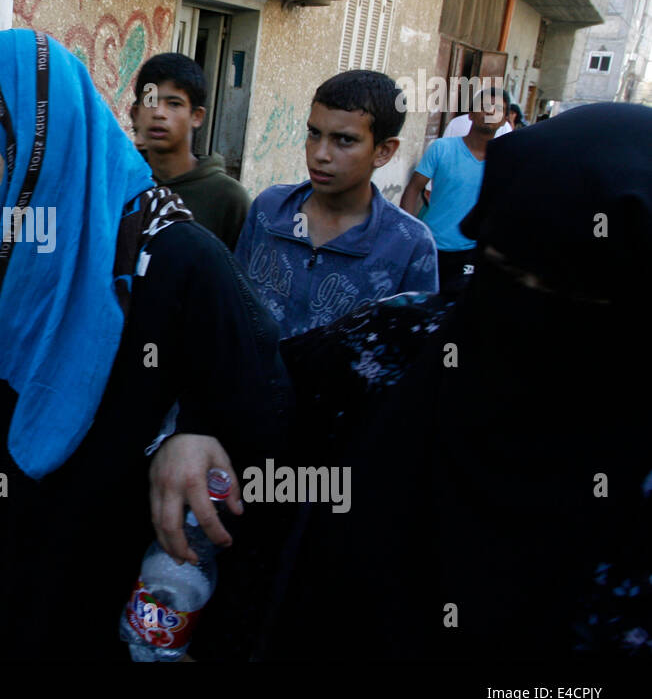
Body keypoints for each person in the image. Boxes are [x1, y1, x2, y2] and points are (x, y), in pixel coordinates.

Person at [0, 29, 292, 660]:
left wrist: (192, 430)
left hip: (105, 584)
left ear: (44, 123)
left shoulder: (175, 257)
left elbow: (258, 406)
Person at [265, 102, 652, 659]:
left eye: (572, 294)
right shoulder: (401, 341)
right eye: (507, 271)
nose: (528, 312)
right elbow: (259, 387)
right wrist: (196, 434)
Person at [233, 70, 438, 339]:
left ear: (383, 151)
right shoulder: (269, 211)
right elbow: (233, 308)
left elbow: (412, 350)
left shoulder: (409, 244)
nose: (320, 154)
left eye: (345, 140)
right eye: (314, 134)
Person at [131, 52, 250, 251]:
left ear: (196, 116)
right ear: (136, 114)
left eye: (174, 104)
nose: (159, 113)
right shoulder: (122, 184)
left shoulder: (228, 199)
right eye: (150, 101)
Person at [400, 85, 506, 292]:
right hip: (431, 244)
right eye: (485, 106)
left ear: (503, 120)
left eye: (498, 109)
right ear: (471, 113)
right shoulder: (442, 148)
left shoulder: (504, 161)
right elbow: (413, 189)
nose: (491, 111)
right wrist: (406, 232)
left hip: (471, 252)